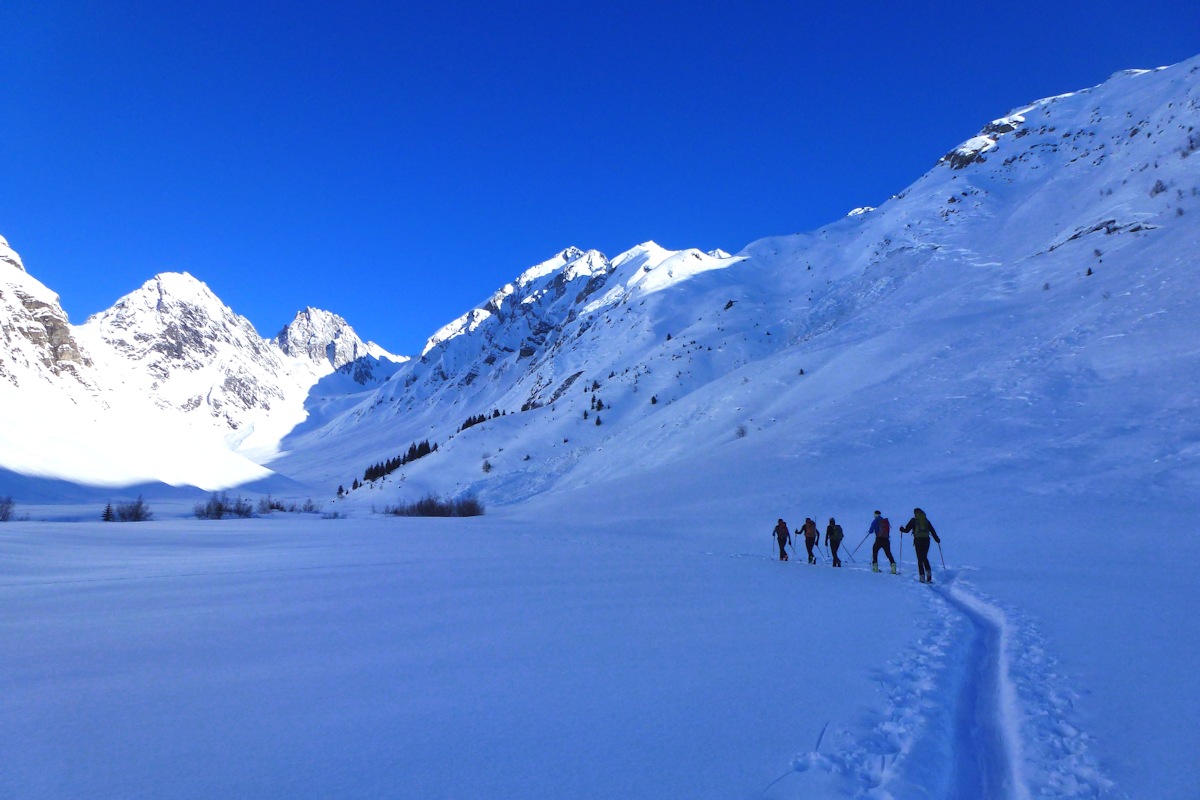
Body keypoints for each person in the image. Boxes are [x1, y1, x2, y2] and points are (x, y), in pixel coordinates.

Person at [900, 508, 941, 583]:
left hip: (918, 541)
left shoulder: (913, 520)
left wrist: (902, 529)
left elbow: (906, 530)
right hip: (926, 540)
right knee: (924, 557)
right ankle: (929, 576)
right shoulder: (926, 521)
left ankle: (922, 577)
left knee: (920, 559)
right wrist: (937, 539)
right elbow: (932, 530)